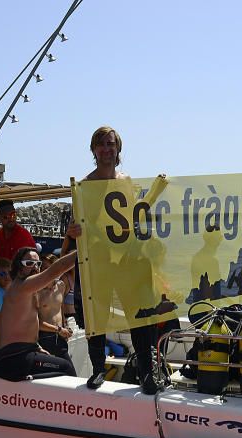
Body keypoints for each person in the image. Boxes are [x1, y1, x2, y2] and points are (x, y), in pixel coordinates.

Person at [69, 125, 159, 392]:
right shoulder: (84, 186)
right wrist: (73, 232)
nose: (106, 149)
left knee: (138, 314)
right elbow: (76, 225)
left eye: (111, 144)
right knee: (96, 315)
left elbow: (134, 218)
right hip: (97, 262)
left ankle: (146, 373)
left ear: (118, 148)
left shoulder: (126, 181)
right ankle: (98, 369)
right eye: (101, 144)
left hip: (126, 261)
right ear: (93, 150)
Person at [0, 242, 80, 382]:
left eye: (37, 263)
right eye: (29, 263)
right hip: (16, 358)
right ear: (18, 268)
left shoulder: (21, 289)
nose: (35, 267)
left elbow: (11, 327)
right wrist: (84, 250)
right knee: (67, 369)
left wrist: (36, 346)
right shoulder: (23, 287)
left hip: (16, 354)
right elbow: (58, 268)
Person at [37, 260, 75, 365]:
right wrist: (59, 329)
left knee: (68, 373)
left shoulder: (61, 286)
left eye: (51, 268)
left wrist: (64, 326)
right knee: (67, 370)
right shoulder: (36, 292)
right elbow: (35, 322)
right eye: (44, 268)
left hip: (60, 337)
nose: (48, 271)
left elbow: (60, 308)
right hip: (44, 338)